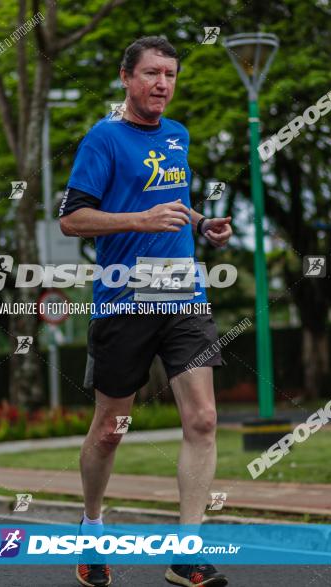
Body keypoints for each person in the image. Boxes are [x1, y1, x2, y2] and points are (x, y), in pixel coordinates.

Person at [59, 36, 233, 587]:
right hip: (123, 296)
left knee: (203, 418)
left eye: (171, 75)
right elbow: (72, 219)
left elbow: (174, 203)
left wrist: (201, 225)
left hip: (182, 293)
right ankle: (91, 528)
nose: (163, 84)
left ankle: (187, 552)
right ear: (126, 77)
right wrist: (139, 220)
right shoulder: (102, 140)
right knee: (111, 427)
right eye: (152, 73)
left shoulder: (178, 136)